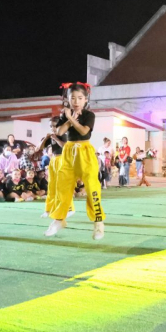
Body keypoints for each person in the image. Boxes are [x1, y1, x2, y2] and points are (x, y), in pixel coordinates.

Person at [44, 82, 105, 240]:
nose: (76, 101)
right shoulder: (65, 115)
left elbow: (84, 131)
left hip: (85, 152)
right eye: (73, 98)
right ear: (68, 99)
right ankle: (59, 220)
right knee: (62, 186)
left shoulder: (89, 115)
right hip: (68, 152)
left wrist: (71, 118)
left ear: (85, 99)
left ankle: (98, 222)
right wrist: (69, 119)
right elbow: (59, 131)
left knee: (92, 187)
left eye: (80, 98)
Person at [39, 117, 74, 219]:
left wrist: (56, 139)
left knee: (62, 186)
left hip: (63, 160)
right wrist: (46, 138)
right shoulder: (51, 136)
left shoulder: (64, 135)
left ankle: (70, 209)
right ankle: (48, 209)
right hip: (53, 160)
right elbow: (40, 148)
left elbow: (65, 147)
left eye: (54, 126)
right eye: (51, 126)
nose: (52, 128)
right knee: (51, 187)